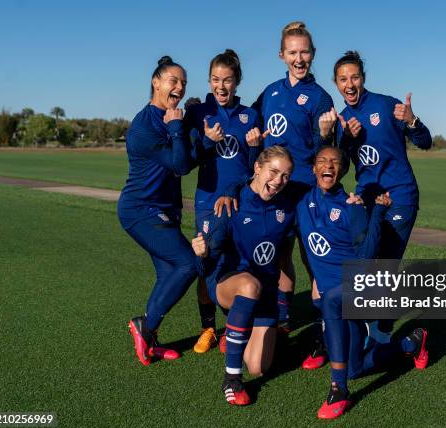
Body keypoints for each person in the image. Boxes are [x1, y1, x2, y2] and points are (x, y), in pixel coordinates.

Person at [296, 146, 428, 419]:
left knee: (331, 299)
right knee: (354, 368)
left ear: (343, 170)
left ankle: (338, 390)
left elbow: (367, 257)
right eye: (322, 161)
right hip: (339, 299)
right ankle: (411, 343)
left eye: (335, 162)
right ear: (314, 169)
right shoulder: (301, 203)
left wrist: (377, 212)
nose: (328, 166)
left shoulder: (351, 206)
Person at [191, 146, 295, 406]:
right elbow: (204, 270)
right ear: (257, 168)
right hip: (230, 283)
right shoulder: (230, 204)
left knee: (258, 367)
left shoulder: (289, 206)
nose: (279, 180)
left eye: (285, 175)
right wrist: (201, 255)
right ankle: (232, 379)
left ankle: (240, 329)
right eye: (273, 171)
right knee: (249, 286)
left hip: (267, 293)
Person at [252, 21, 334, 332]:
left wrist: (326, 135)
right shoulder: (270, 92)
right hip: (275, 191)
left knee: (313, 259)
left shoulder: (320, 98)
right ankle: (284, 319)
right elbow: (249, 124)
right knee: (280, 254)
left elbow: (327, 157)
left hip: (307, 192)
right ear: (281, 55)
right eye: (292, 53)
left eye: (304, 52)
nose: (299, 59)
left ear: (313, 54)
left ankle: (321, 327)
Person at [183, 49, 264, 354]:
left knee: (235, 262)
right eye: (216, 79)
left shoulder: (250, 116)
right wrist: (207, 140)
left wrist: (255, 148)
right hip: (207, 200)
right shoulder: (198, 113)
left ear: (237, 82)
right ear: (208, 81)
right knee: (205, 262)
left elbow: (253, 167)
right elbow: (188, 160)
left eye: (227, 80)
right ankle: (207, 328)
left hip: (239, 203)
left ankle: (233, 325)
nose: (221, 86)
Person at [118, 56, 196, 366]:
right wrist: (178, 126)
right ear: (156, 82)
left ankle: (149, 340)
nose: (179, 87)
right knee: (189, 264)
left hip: (165, 209)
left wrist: (188, 126)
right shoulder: (143, 126)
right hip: (140, 209)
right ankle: (144, 328)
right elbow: (179, 164)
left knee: (168, 274)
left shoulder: (170, 118)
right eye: (173, 80)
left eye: (183, 83)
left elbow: (188, 159)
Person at [334, 50, 432, 259]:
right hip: (366, 198)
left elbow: (425, 142)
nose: (349, 85)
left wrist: (412, 121)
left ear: (363, 79)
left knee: (384, 263)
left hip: (399, 195)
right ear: (336, 84)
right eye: (343, 79)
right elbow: (340, 168)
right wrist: (347, 139)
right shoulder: (342, 121)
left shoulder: (386, 105)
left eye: (355, 77)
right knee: (365, 259)